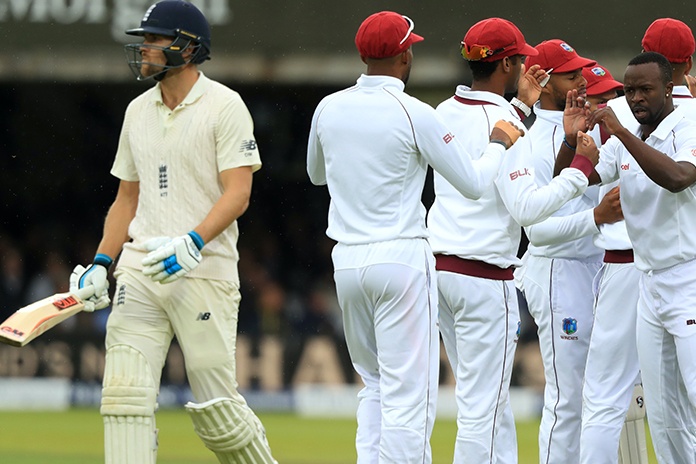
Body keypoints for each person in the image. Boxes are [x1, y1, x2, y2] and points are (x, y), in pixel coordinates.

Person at [306, 10, 524, 463]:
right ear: (405, 55)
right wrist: (499, 142)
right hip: (401, 260)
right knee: (409, 394)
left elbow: (316, 175)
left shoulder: (328, 107)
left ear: (362, 55)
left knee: (374, 385)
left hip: (346, 261)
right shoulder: (414, 112)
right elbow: (474, 183)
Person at [68, 2, 276, 463]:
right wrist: (101, 262)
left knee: (218, 412)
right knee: (123, 398)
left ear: (187, 47)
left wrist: (192, 242)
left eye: (154, 39)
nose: (144, 48)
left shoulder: (225, 106)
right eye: (144, 39)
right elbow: (126, 199)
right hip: (140, 270)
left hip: (203, 270)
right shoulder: (137, 111)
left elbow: (238, 193)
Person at [426, 18, 598, 464]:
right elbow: (526, 209)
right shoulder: (508, 126)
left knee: (487, 405)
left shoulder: (443, 111)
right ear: (509, 65)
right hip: (485, 277)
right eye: (520, 58)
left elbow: (488, 125)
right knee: (483, 412)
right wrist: (579, 171)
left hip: (440, 271)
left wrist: (520, 105)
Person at [556, 50, 696, 464]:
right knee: (663, 411)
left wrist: (619, 132)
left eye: (645, 89)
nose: (635, 98)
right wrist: (571, 140)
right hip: (649, 281)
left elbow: (678, 178)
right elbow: (575, 178)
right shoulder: (628, 135)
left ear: (668, 88)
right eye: (630, 90)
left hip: (688, 278)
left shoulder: (688, 124)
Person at [513, 39, 624, 464]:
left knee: (601, 396)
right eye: (571, 75)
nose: (581, 82)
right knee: (569, 397)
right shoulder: (534, 140)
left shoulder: (583, 129)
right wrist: (596, 217)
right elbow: (538, 232)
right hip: (558, 270)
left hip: (594, 267)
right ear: (544, 81)